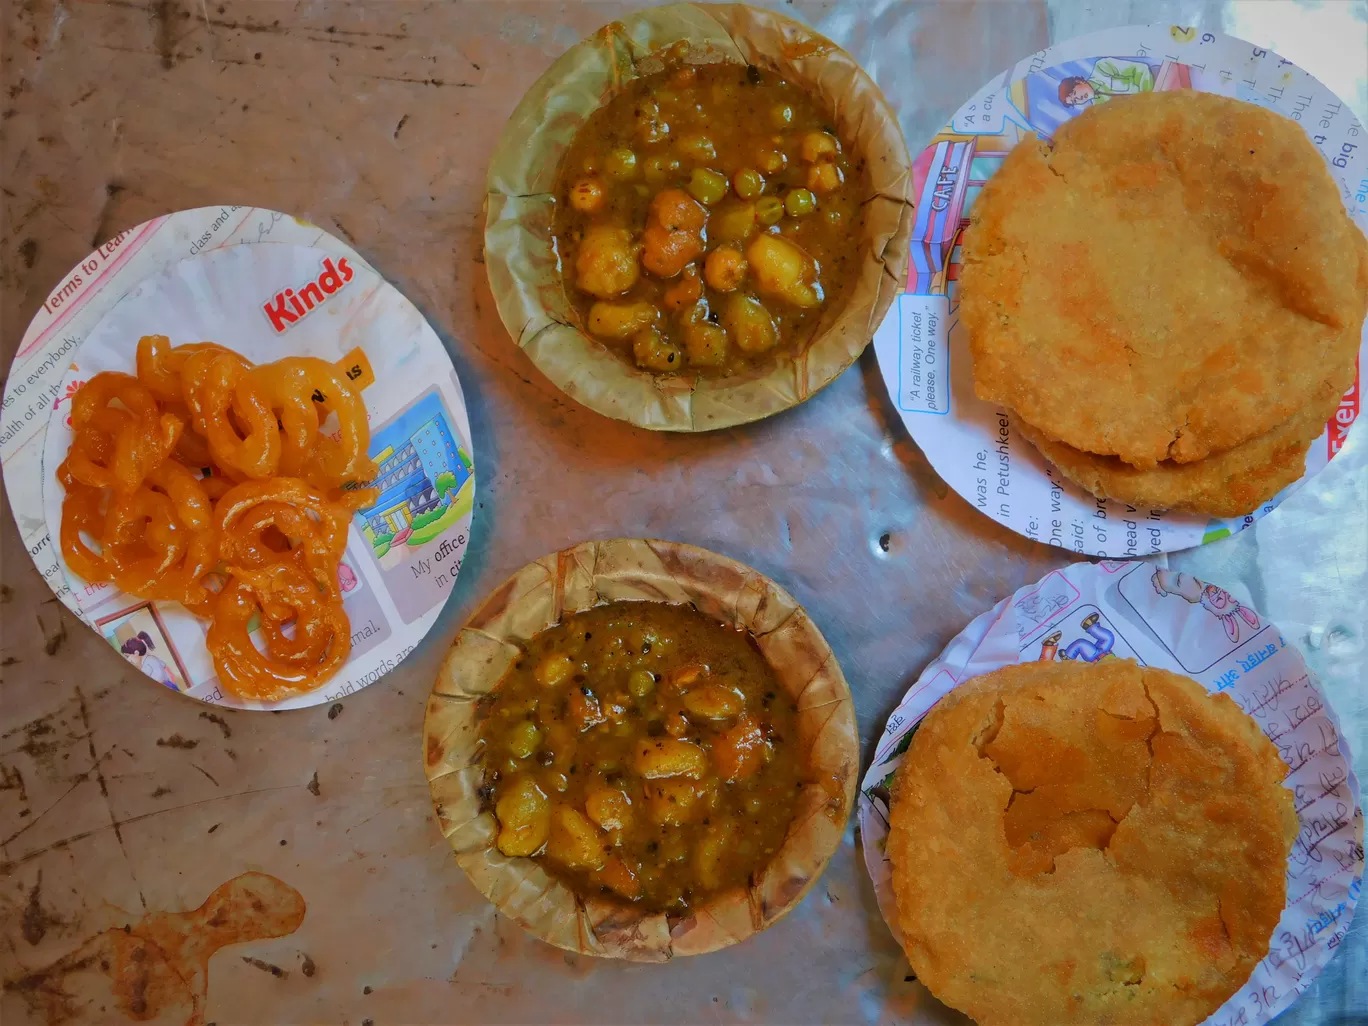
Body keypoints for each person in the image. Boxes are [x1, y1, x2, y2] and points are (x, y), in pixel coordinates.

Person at [1058, 57, 1157, 107]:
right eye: (1075, 101)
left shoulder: (1102, 68)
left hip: (1157, 82)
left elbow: (1141, 70)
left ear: (1078, 81)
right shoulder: (1099, 107)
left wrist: (1148, 99)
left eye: (1075, 93)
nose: (1079, 98)